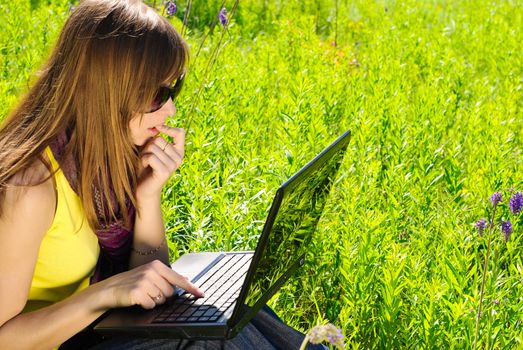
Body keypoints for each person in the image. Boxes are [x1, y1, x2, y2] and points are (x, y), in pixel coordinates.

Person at [0, 0, 326, 349]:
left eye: (174, 90)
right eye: (159, 94)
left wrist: (147, 195)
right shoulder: (31, 185)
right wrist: (101, 295)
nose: (170, 109)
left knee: (228, 312)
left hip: (97, 329)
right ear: (107, 91)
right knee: (206, 343)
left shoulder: (105, 154)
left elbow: (152, 282)